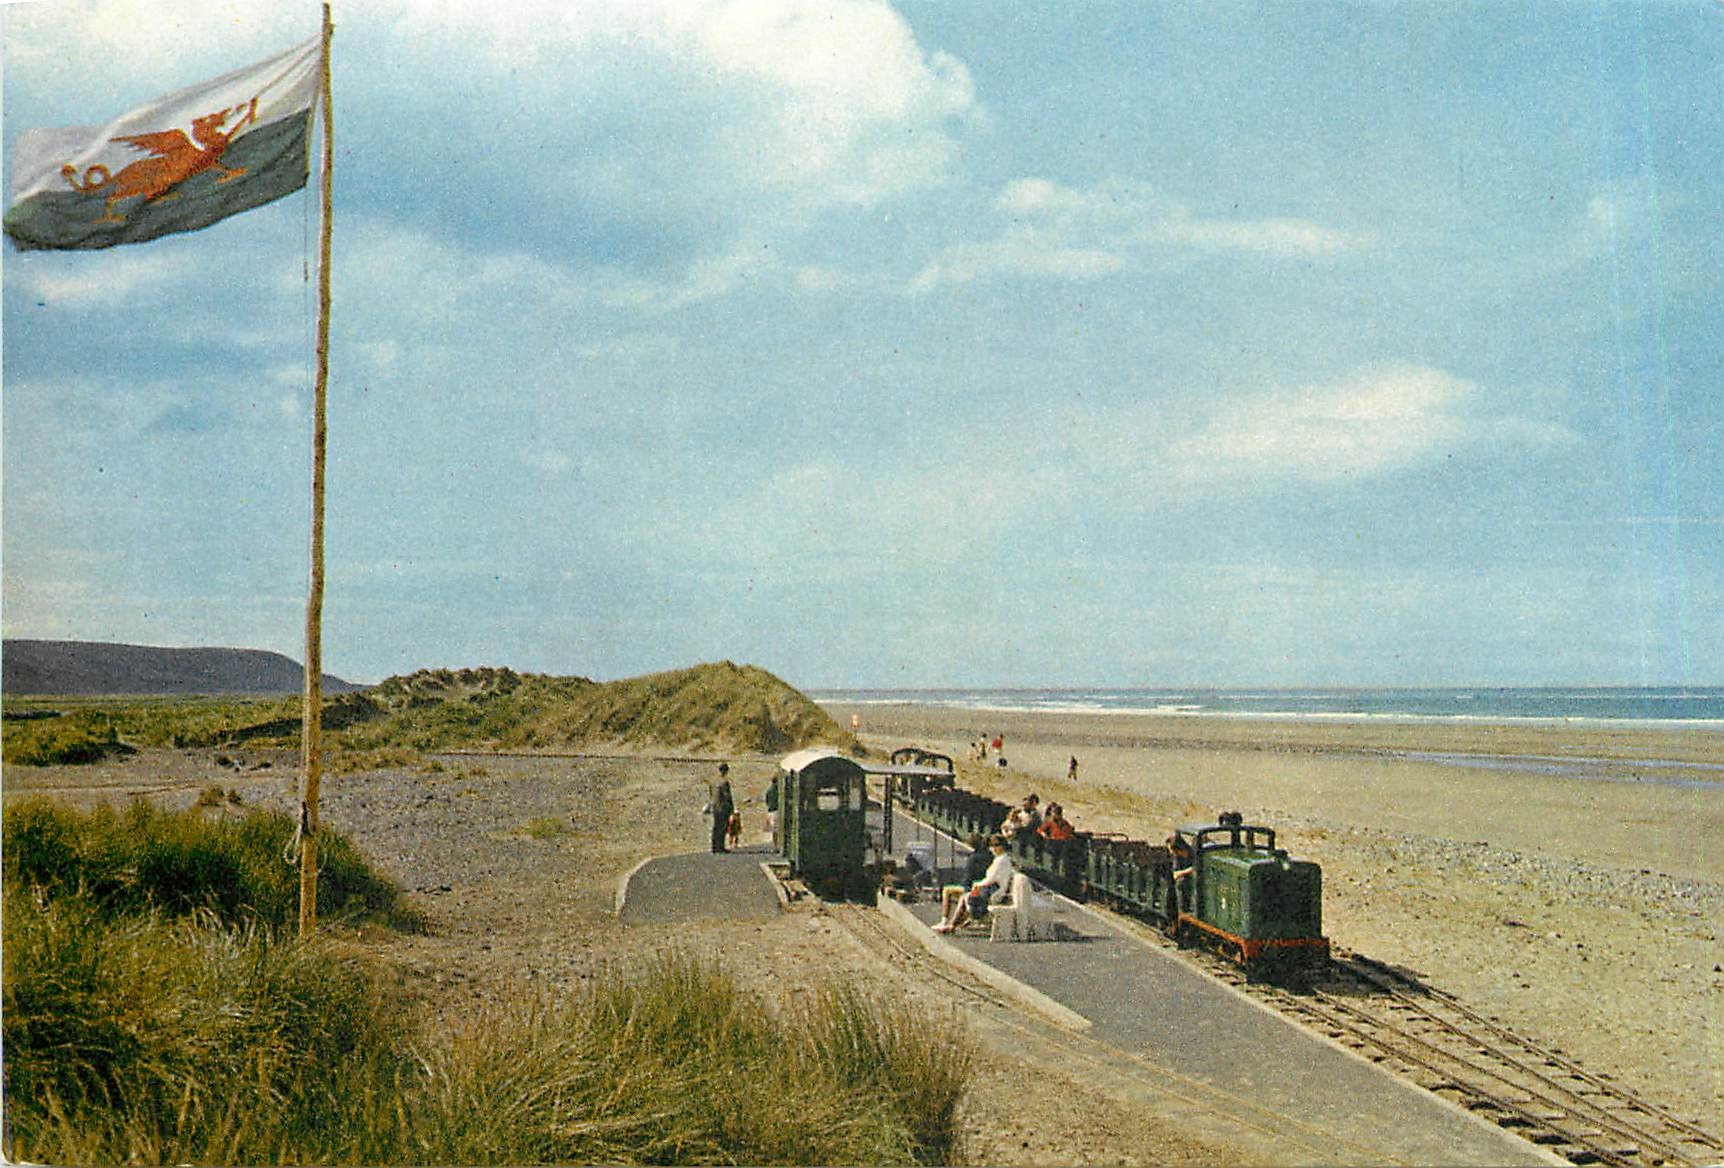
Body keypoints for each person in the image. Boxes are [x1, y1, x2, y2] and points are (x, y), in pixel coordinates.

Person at [934, 834, 1013, 933]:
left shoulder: (999, 861)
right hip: (991, 888)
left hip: (994, 892)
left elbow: (988, 879)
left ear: (1002, 846)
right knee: (965, 896)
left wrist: (975, 885)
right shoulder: (997, 858)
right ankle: (952, 925)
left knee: (954, 892)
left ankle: (946, 922)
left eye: (996, 845)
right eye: (992, 845)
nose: (993, 848)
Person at [941, 833, 992, 922]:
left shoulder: (973, 859)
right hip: (984, 886)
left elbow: (968, 878)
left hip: (973, 887)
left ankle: (944, 919)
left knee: (946, 890)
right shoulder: (990, 855)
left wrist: (961, 885)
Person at [709, 765, 734, 853]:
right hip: (723, 808)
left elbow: (711, 794)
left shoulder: (713, 782)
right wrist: (731, 808)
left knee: (716, 827)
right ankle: (720, 847)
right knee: (722, 828)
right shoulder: (724, 782)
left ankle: (714, 847)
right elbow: (727, 796)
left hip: (715, 807)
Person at [763, 775, 780, 849]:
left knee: (774, 830)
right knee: (777, 829)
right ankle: (778, 846)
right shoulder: (778, 790)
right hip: (777, 810)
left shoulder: (769, 790)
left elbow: (766, 801)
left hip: (771, 811)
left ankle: (775, 845)